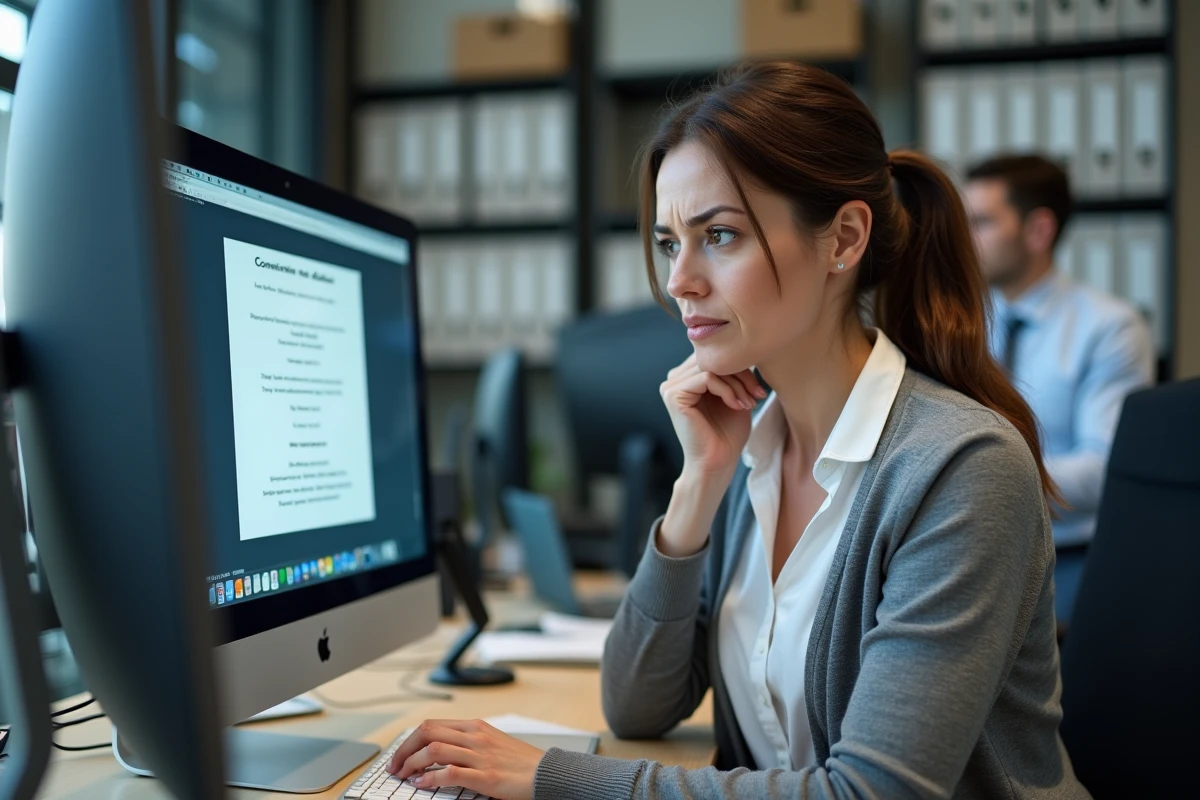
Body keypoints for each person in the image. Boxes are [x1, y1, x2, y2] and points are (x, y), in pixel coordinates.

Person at [384, 62, 1089, 799]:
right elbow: (637, 703)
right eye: (667, 243)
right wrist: (698, 487)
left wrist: (551, 778)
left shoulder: (960, 469)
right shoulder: (754, 447)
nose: (680, 279)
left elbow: (874, 794)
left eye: (718, 235)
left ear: (843, 239)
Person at [964, 155, 1154, 626]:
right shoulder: (963, 325)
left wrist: (984, 488)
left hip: (1070, 560)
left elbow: (1104, 467)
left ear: (1038, 230)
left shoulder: (1109, 327)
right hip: (973, 549)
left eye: (981, 223)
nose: (964, 239)